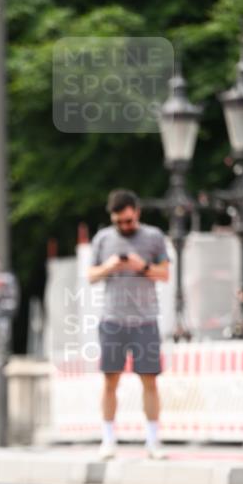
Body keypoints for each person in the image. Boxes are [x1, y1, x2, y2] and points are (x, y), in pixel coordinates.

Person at [88, 189, 170, 460]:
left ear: (137, 213)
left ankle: (153, 440)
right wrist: (110, 266)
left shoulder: (154, 237)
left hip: (145, 319)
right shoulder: (103, 239)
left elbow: (165, 273)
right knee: (110, 379)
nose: (124, 226)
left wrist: (141, 266)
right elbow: (90, 275)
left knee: (150, 380)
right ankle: (108, 439)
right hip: (112, 319)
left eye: (129, 221)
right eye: (119, 222)